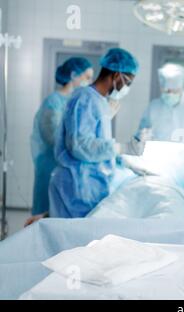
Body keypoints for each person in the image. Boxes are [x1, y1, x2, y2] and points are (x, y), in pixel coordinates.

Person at [48, 48, 144, 218]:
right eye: (127, 82)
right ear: (116, 76)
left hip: (86, 183)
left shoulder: (99, 101)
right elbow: (80, 145)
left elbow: (96, 142)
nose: (126, 87)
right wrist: (122, 147)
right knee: (73, 241)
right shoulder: (85, 99)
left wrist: (124, 161)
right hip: (77, 185)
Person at [26, 57, 93, 226]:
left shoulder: (73, 102)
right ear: (73, 75)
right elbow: (52, 137)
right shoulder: (53, 102)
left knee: (59, 217)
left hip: (64, 166)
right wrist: (78, 145)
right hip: (50, 166)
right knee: (44, 216)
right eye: (87, 77)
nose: (90, 82)